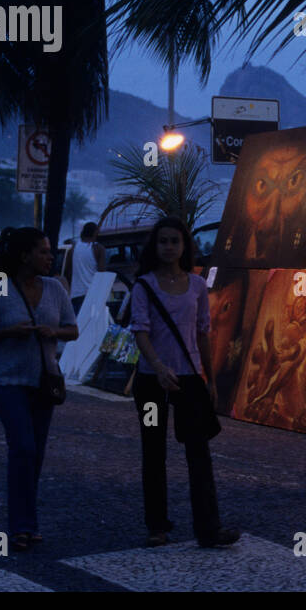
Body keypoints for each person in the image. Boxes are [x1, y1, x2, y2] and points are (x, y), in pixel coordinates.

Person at [129, 217, 237, 548]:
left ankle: (209, 527)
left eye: (174, 241)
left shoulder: (197, 285)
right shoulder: (143, 286)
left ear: (183, 246)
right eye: (163, 241)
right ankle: (157, 526)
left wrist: (210, 376)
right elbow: (140, 332)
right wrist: (158, 367)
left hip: (189, 379)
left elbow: (203, 332)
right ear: (155, 246)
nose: (169, 247)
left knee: (198, 452)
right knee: (153, 450)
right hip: (151, 382)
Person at [0, 228, 77, 551]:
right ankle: (20, 525)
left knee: (36, 454)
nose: (50, 257)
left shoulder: (55, 290)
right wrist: (7, 333)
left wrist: (53, 331)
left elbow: (72, 329)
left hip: (44, 381)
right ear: (24, 255)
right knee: (23, 448)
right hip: (8, 382)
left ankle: (28, 521)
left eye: (50, 252)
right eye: (43, 252)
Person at [64, 222, 107, 315]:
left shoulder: (73, 248)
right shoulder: (98, 248)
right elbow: (102, 274)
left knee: (78, 327)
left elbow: (68, 272)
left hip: (75, 295)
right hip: (93, 295)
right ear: (95, 233)